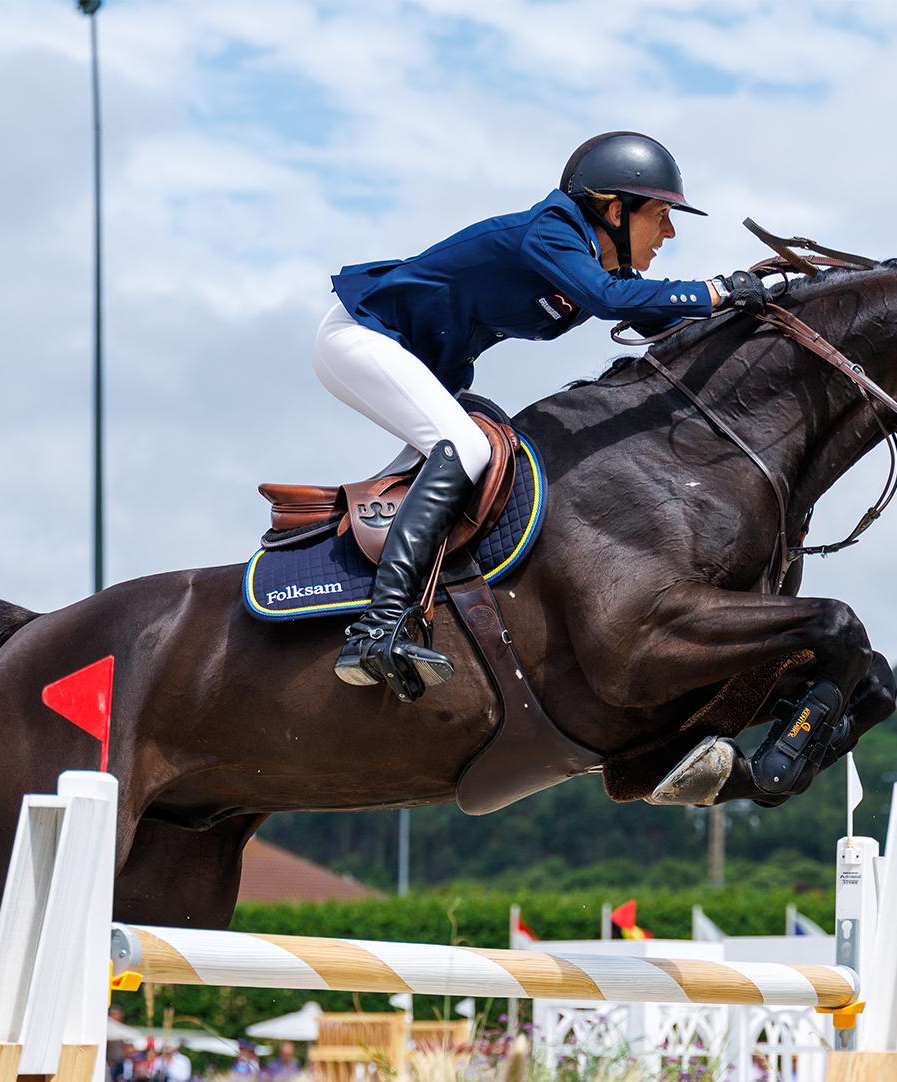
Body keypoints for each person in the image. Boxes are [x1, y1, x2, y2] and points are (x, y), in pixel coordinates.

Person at [318, 131, 768, 700]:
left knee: (475, 458)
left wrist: (762, 304)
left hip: (418, 361)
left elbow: (657, 317)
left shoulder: (590, 257)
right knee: (466, 449)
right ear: (615, 211)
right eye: (660, 216)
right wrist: (716, 290)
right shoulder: (551, 232)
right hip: (363, 337)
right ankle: (377, 629)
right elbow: (613, 301)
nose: (670, 233)